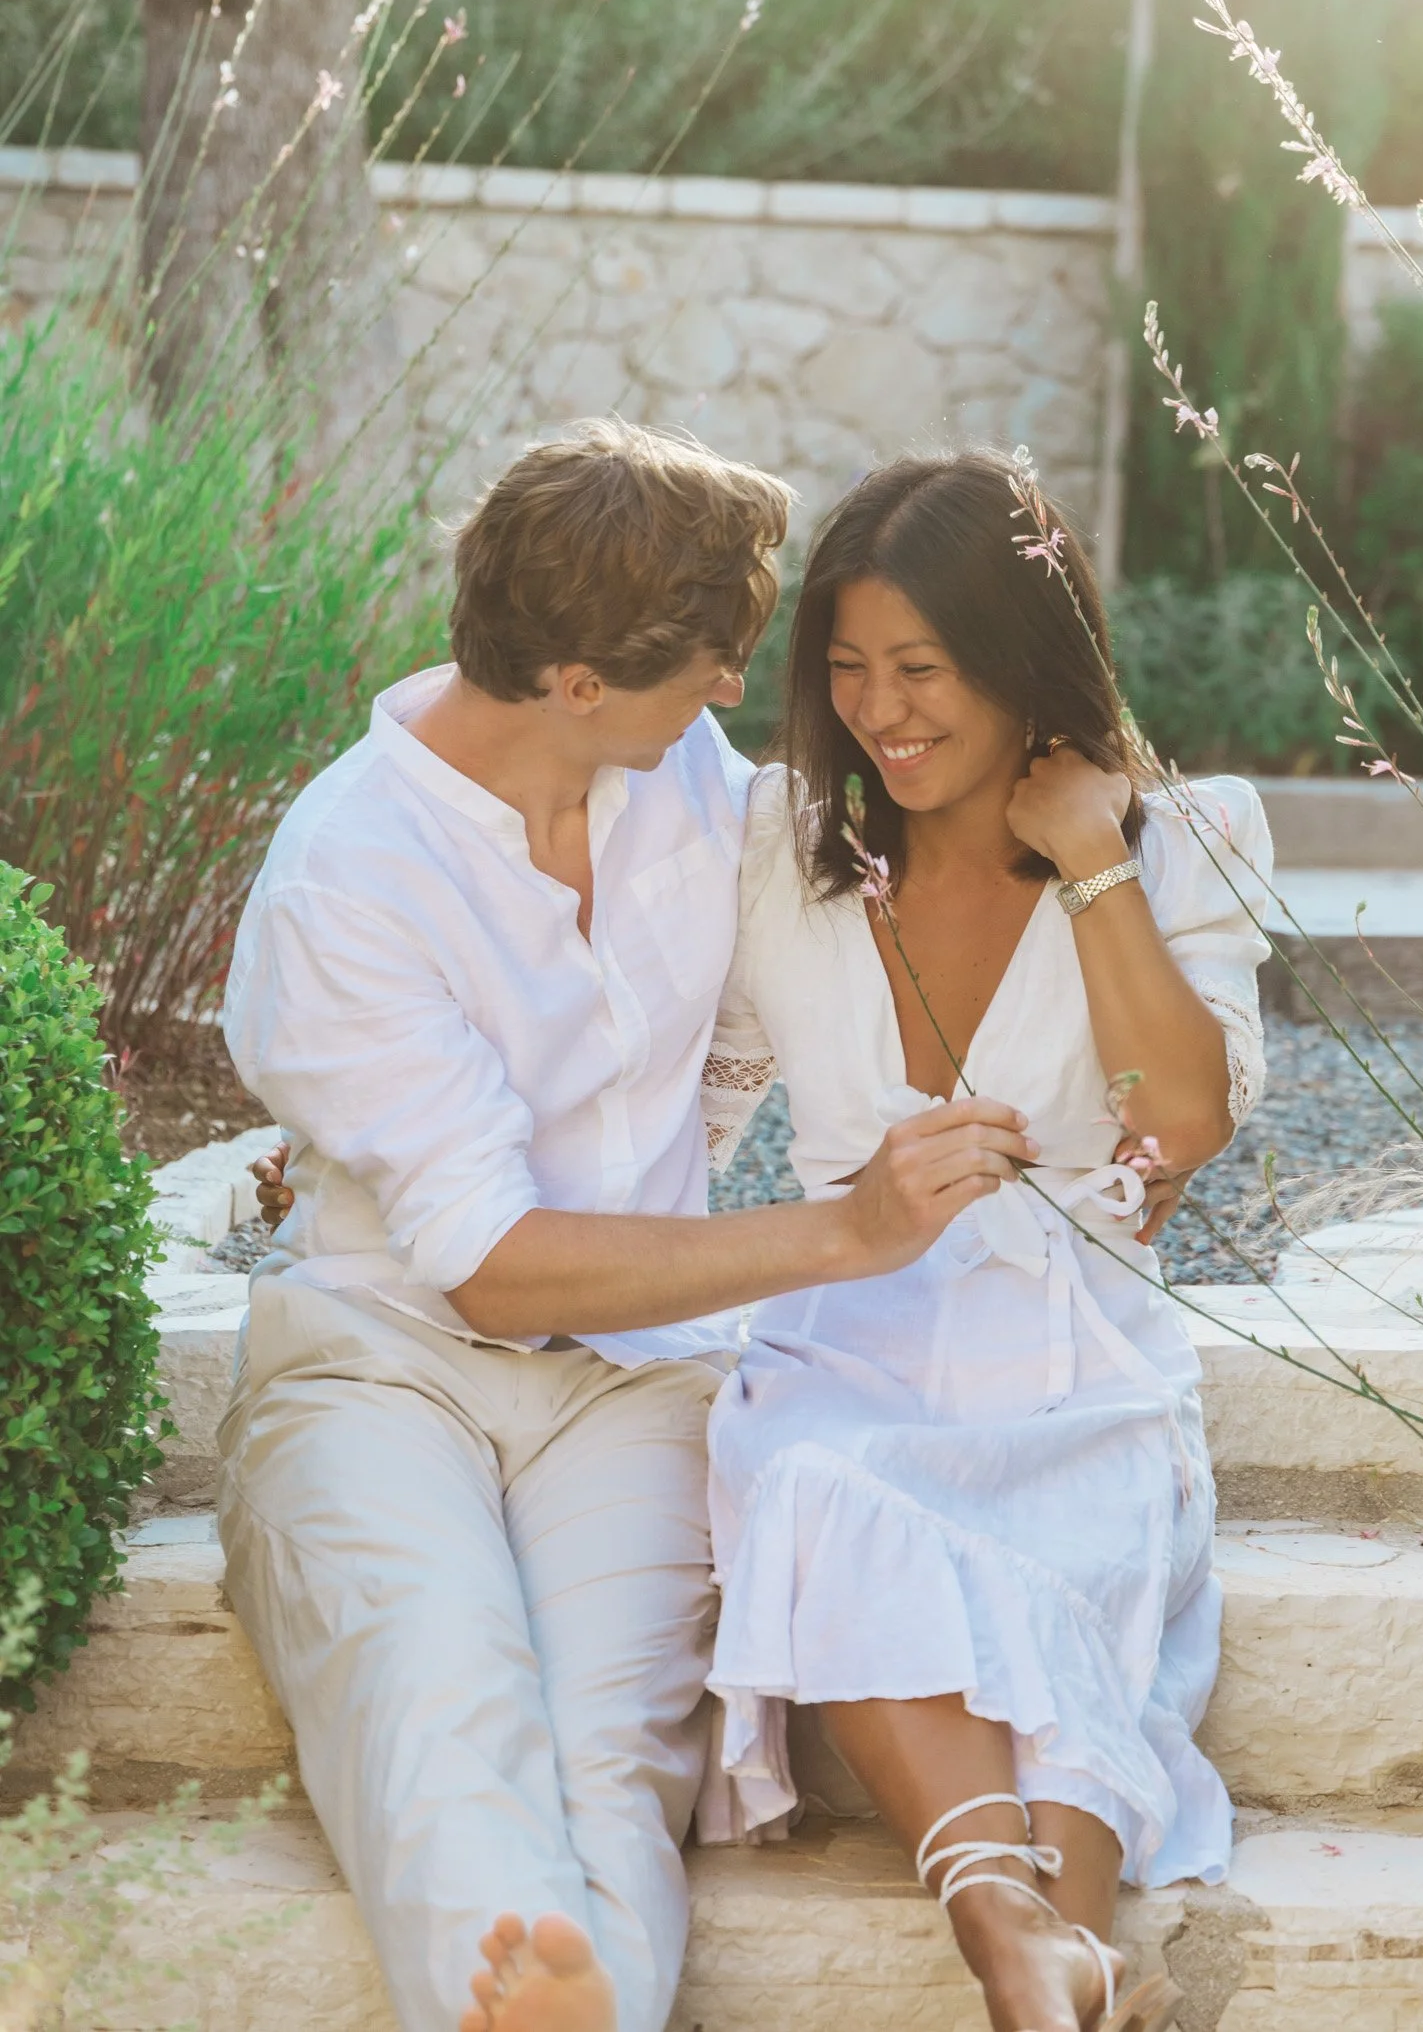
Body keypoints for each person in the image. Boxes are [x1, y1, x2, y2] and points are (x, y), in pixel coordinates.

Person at [219, 423, 1040, 2032]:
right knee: (431, 1677)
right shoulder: (348, 879)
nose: (733, 693)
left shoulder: (685, 792)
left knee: (616, 1743)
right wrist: (838, 1235)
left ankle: (554, 2000)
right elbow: (496, 1265)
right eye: (709, 665)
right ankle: (515, 1972)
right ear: (576, 682)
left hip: (634, 1377)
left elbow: (914, 853)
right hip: (384, 1363)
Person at [691, 453, 1272, 2032]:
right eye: (848, 669)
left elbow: (1183, 1124)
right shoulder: (778, 843)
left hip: (1073, 1342)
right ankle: (1044, 1954)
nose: (882, 711)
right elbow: (679, 1101)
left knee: (1069, 1547)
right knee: (813, 1486)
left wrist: (1091, 865)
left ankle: (1036, 1949)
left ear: (1024, 662)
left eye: (924, 670)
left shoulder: (1181, 835)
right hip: (845, 1332)